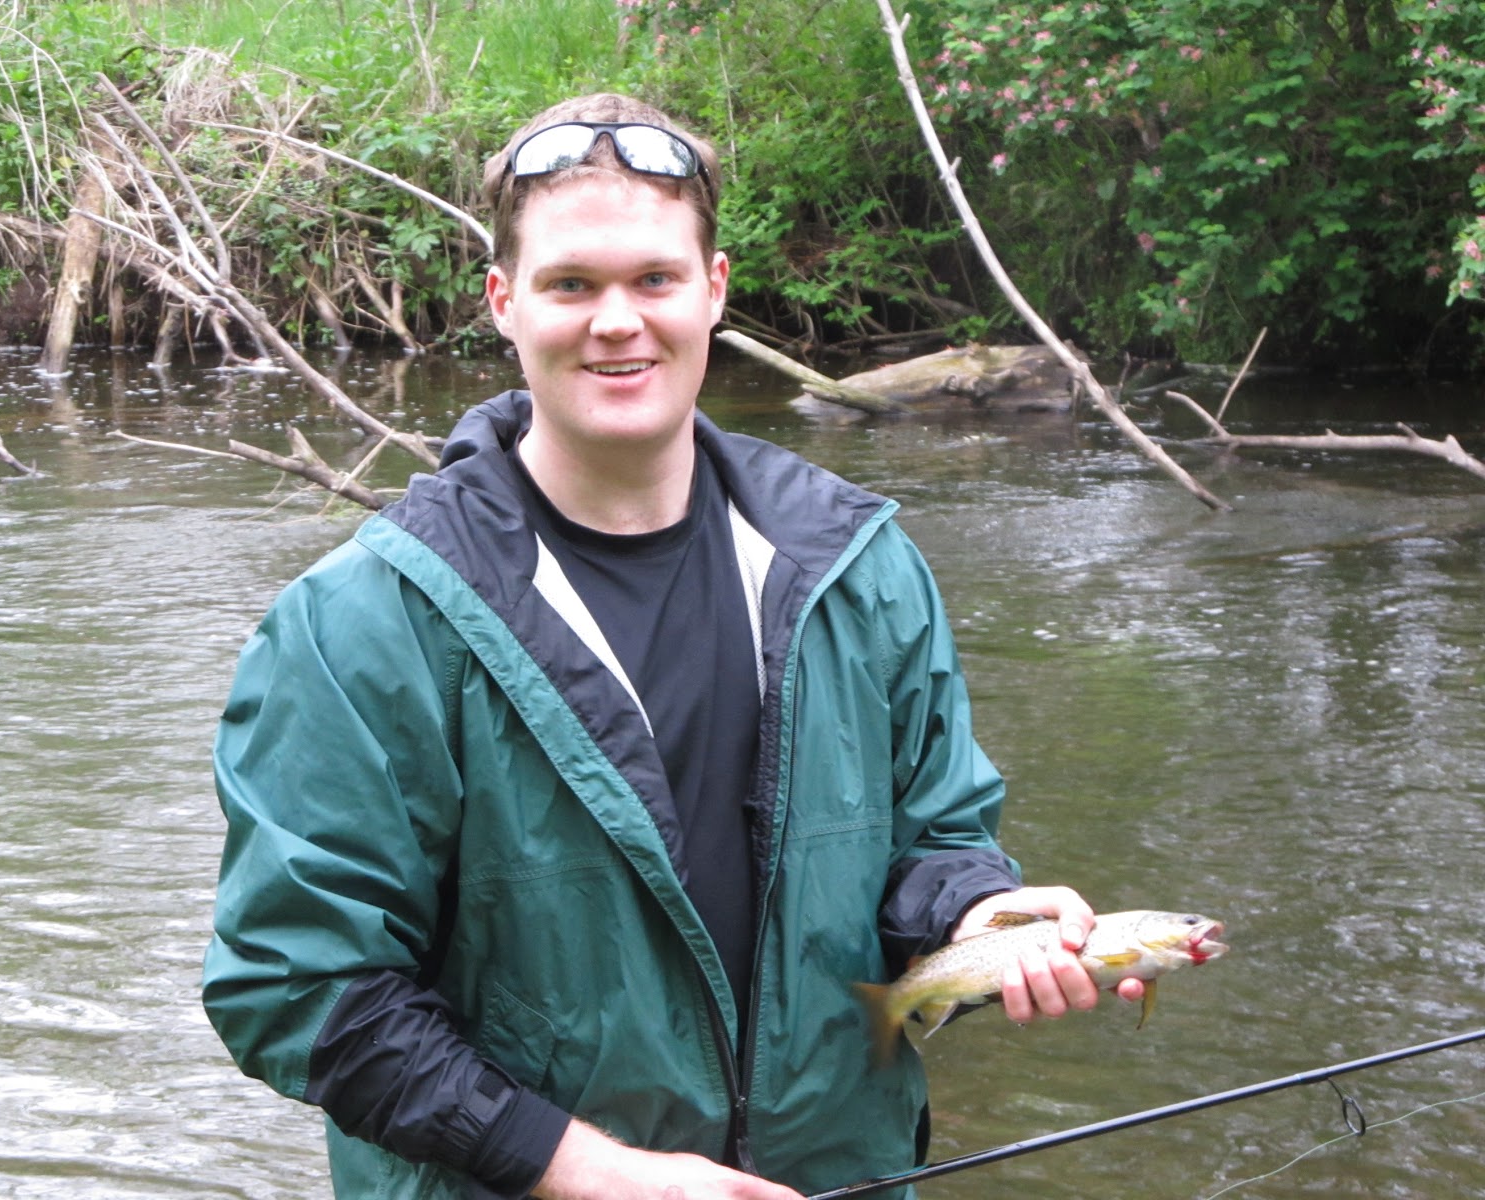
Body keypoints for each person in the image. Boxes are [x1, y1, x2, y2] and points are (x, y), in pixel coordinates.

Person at [202, 93, 1142, 1200]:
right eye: (571, 285)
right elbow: (302, 988)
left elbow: (931, 837)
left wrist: (975, 914)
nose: (616, 321)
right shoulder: (361, 619)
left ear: (715, 291)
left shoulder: (863, 566)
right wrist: (594, 1174)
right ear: (505, 303)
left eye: (653, 279)